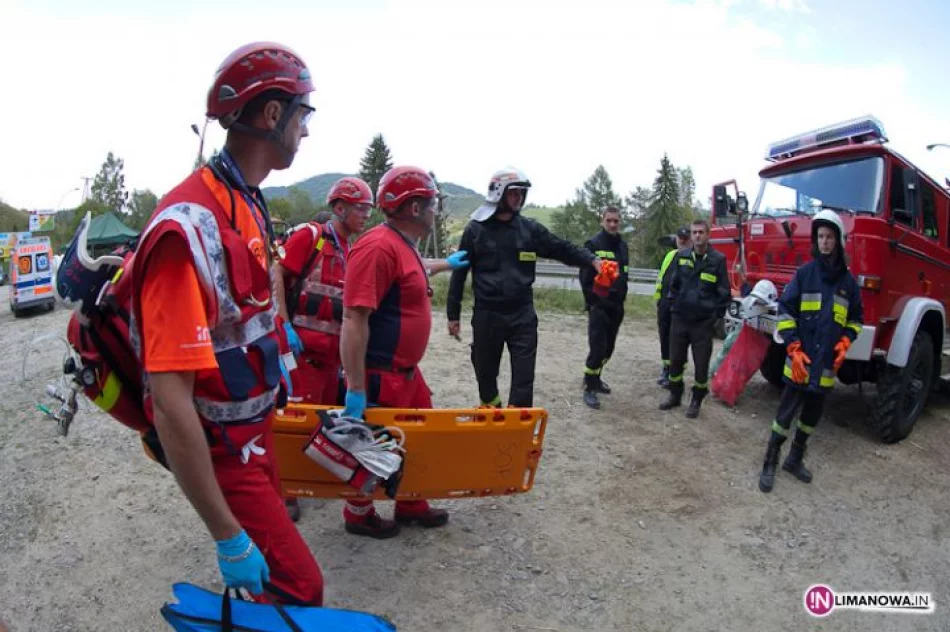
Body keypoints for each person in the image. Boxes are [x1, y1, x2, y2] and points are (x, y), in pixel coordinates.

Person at [129, 42, 323, 604]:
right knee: (300, 586)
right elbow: (170, 403)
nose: (305, 130)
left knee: (273, 585)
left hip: (254, 437)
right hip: (224, 450)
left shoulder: (246, 201)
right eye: (303, 114)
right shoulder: (185, 231)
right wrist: (226, 535)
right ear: (271, 116)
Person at [338, 166, 469, 538]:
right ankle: (358, 513)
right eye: (431, 204)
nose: (435, 211)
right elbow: (353, 317)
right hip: (383, 372)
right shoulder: (378, 246)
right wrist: (356, 387)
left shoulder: (399, 244)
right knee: (375, 444)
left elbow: (415, 268)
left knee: (419, 439)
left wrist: (448, 264)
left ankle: (411, 502)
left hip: (406, 372)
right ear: (414, 208)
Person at [446, 167, 605, 408]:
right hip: (487, 314)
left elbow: (561, 248)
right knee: (485, 372)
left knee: (524, 378)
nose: (519, 197)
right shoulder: (475, 230)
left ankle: (516, 428)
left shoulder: (529, 230)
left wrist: (592, 260)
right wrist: (452, 314)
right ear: (499, 193)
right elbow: (459, 274)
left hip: (522, 314)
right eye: (514, 192)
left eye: (522, 193)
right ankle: (492, 413)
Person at [273, 176, 373, 522]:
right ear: (340, 207)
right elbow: (278, 272)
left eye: (368, 209)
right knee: (294, 423)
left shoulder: (351, 249)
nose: (365, 215)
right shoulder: (311, 237)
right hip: (303, 354)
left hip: (332, 359)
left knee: (327, 423)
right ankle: (285, 492)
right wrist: (283, 324)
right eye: (360, 208)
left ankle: (314, 480)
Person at [758, 210, 862, 493]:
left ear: (838, 241)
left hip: (826, 365)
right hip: (800, 361)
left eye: (829, 237)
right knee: (785, 414)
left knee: (811, 416)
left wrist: (845, 343)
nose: (825, 242)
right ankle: (770, 460)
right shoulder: (805, 274)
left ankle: (794, 458)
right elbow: (786, 309)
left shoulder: (849, 284)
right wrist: (792, 345)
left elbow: (856, 320)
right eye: (821, 237)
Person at [658, 219, 730, 418]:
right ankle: (675, 394)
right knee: (675, 361)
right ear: (691, 235)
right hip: (680, 319)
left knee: (701, 365)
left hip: (702, 323)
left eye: (701, 232)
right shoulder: (682, 257)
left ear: (708, 235)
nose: (697, 236)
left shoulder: (718, 260)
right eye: (694, 232)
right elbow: (674, 286)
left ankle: (697, 399)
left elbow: (724, 294)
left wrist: (715, 318)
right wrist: (673, 307)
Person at [579, 206, 629, 409]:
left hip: (616, 307)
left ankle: (596, 378)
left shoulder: (623, 246)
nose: (612, 224)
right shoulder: (593, 244)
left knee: (608, 349)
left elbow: (624, 276)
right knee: (597, 348)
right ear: (602, 221)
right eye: (609, 220)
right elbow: (585, 278)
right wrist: (593, 302)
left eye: (616, 221)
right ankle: (589, 387)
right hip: (599, 306)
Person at [654, 226, 691, 388]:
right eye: (680, 237)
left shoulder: (694, 258)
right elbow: (661, 279)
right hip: (664, 304)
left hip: (681, 307)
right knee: (664, 336)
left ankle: (676, 373)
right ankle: (666, 368)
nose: (682, 240)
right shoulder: (670, 255)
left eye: (685, 238)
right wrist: (658, 300)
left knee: (678, 341)